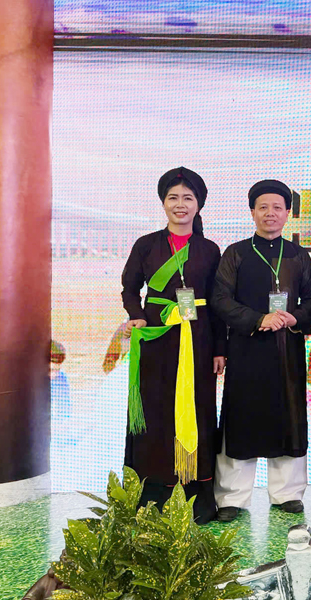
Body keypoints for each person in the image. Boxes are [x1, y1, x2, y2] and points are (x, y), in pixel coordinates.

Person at [212, 179, 311, 522]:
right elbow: (220, 299)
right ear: (252, 212)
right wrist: (259, 318)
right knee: (240, 419)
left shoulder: (299, 255)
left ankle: (287, 493)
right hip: (246, 348)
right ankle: (231, 497)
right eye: (263, 207)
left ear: (288, 213)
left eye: (277, 207)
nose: (270, 213)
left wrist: (296, 317)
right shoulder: (236, 253)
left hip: (287, 348)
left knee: (289, 417)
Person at [121, 167, 225, 523]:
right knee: (156, 411)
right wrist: (136, 315)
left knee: (198, 409)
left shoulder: (210, 249)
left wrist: (220, 349)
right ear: (163, 203)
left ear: (198, 205)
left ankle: (197, 499)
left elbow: (217, 303)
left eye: (188, 198)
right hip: (157, 338)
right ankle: (153, 499)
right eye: (173, 198)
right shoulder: (146, 245)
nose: (180, 205)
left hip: (199, 340)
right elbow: (130, 288)